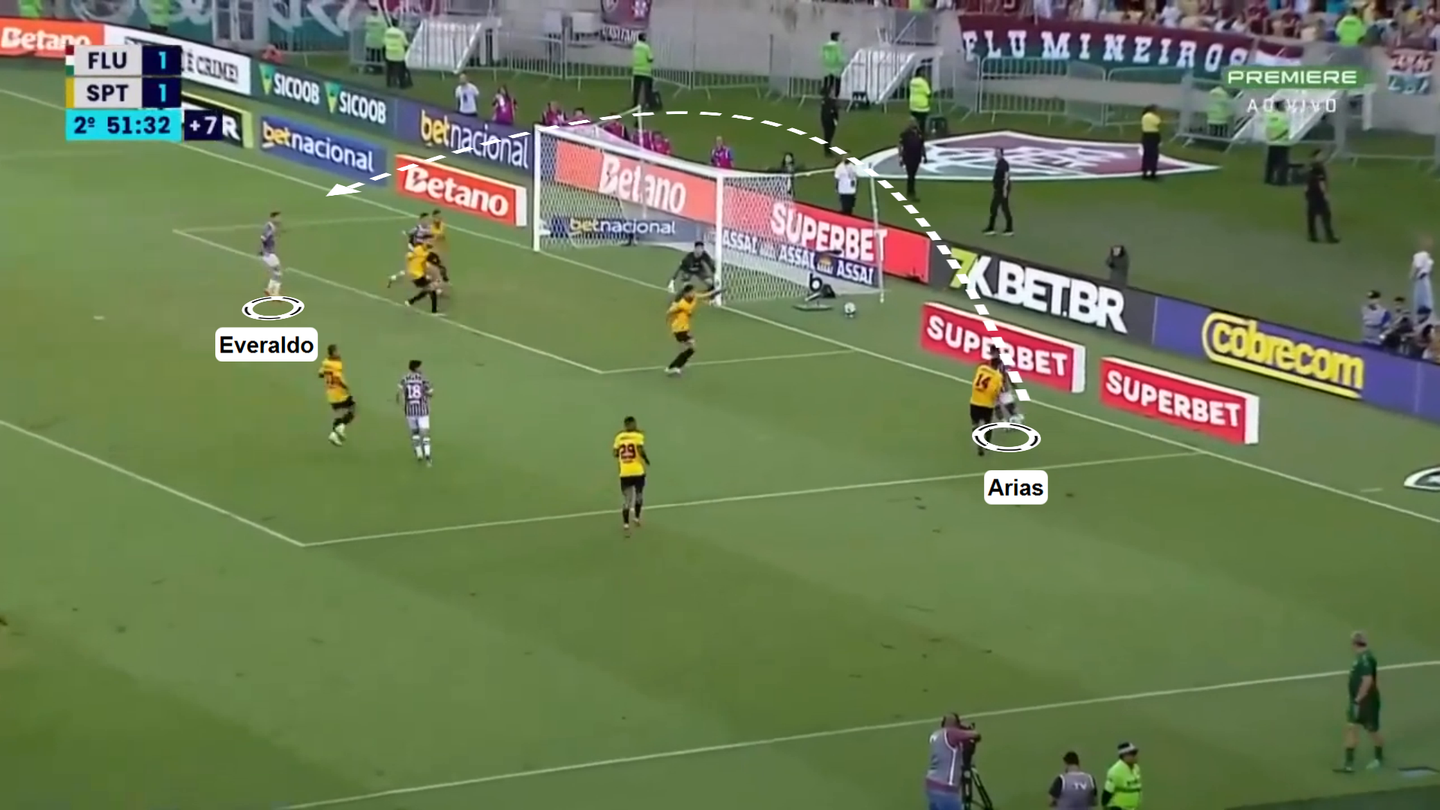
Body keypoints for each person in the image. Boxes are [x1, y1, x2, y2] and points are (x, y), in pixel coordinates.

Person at [1339, 631, 1385, 772]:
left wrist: (1358, 698)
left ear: (1354, 644)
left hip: (1367, 703)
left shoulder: (1365, 659)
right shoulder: (1360, 658)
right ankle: (1348, 764)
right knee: (1351, 727)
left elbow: (1367, 680)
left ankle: (1378, 758)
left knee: (1372, 731)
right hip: (1356, 702)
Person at [925, 714, 980, 810]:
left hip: (932, 785)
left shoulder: (937, 734)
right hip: (945, 788)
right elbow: (976, 735)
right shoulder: (951, 733)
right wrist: (966, 729)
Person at [665, 284, 719, 377]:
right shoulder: (681, 304)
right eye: (691, 292)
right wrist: (669, 320)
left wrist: (716, 292)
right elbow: (669, 311)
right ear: (686, 293)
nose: (693, 294)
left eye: (694, 292)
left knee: (689, 348)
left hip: (685, 328)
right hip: (679, 329)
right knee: (691, 347)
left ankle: (675, 366)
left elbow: (704, 295)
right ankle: (673, 367)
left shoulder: (694, 297)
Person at [613, 416, 650, 536]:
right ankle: (637, 518)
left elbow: (615, 453)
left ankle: (626, 524)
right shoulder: (638, 436)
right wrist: (646, 459)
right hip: (637, 471)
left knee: (627, 499)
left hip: (624, 472)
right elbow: (640, 450)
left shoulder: (619, 437)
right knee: (639, 495)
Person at [397, 359, 434, 465]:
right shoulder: (423, 379)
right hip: (422, 410)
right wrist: (426, 394)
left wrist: (403, 403)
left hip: (410, 411)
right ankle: (427, 455)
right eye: (420, 366)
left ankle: (419, 453)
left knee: (415, 433)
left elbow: (400, 393)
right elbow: (430, 393)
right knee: (425, 433)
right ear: (416, 368)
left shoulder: (405, 378)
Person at [319, 344, 355, 447]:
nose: (339, 352)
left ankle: (334, 434)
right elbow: (338, 378)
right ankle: (339, 428)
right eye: (337, 351)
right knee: (353, 408)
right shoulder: (336, 364)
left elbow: (320, 373)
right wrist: (346, 386)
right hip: (338, 393)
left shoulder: (325, 362)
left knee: (340, 413)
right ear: (334, 352)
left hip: (330, 394)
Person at [970, 355, 1003, 457]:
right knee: (987, 424)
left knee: (975, 424)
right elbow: (996, 392)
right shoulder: (998, 376)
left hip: (975, 402)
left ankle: (978, 442)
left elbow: (980, 365)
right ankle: (986, 442)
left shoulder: (981, 368)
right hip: (987, 404)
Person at [1305, 149, 1338, 243]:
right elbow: (1321, 182)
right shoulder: (1319, 168)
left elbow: (1307, 181)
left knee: (1311, 215)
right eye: (1320, 155)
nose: (1322, 156)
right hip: (1318, 194)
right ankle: (1329, 237)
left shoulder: (1311, 166)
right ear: (1316, 157)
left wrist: (1306, 191)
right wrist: (1325, 194)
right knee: (1326, 215)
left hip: (1310, 193)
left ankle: (1312, 236)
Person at [403, 241, 445, 314]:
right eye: (428, 246)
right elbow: (431, 259)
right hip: (417, 276)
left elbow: (410, 256)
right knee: (430, 289)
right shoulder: (425, 254)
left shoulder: (418, 250)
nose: (429, 248)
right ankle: (433, 310)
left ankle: (411, 301)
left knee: (429, 289)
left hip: (414, 274)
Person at [1101, 743, 1142, 810]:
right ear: (1124, 756)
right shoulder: (1115, 771)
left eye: (1136, 753)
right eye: (1133, 753)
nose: (1136, 756)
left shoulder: (1136, 768)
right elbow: (1107, 793)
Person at [984, 147, 1013, 236]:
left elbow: (1006, 177)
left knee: (1003, 209)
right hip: (998, 189)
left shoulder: (1004, 164)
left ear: (1001, 154)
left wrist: (1004, 190)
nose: (995, 154)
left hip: (1002, 190)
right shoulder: (999, 163)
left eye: (997, 152)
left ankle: (1009, 229)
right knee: (995, 208)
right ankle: (991, 228)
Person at [1264, 101, 1290, 185]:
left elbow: (1267, 128)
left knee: (1271, 161)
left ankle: (1268, 179)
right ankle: (1281, 180)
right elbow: (1286, 129)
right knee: (1282, 162)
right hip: (1282, 142)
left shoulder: (1270, 115)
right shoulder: (1284, 116)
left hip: (1272, 142)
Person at [908, 68, 931, 158]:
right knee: (922, 128)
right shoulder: (923, 82)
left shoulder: (912, 82)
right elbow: (928, 93)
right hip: (922, 107)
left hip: (913, 106)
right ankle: (920, 147)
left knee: (914, 126)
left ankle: (912, 140)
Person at [259, 210, 282, 297]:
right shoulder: (268, 227)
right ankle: (275, 293)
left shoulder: (272, 227)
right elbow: (263, 238)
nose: (279, 219)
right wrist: (263, 250)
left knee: (276, 272)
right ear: (273, 218)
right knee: (278, 272)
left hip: (269, 253)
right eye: (278, 217)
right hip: (269, 254)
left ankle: (269, 289)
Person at [899, 121, 924, 201]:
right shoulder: (905, 134)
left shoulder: (919, 134)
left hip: (916, 157)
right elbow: (900, 146)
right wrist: (900, 157)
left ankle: (910, 192)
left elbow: (922, 146)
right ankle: (911, 192)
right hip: (908, 156)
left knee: (912, 175)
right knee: (911, 175)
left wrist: (924, 156)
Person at [382, 21, 409, 89]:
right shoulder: (400, 33)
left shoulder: (387, 32)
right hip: (398, 54)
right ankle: (402, 84)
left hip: (389, 53)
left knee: (389, 69)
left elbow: (384, 42)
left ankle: (389, 83)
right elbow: (405, 43)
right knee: (400, 70)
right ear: (398, 24)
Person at [631, 33, 655, 109]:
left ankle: (635, 104)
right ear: (644, 38)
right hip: (645, 71)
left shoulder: (635, 46)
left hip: (636, 70)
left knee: (636, 89)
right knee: (647, 89)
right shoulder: (646, 47)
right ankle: (647, 103)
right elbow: (650, 58)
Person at [1411, 235, 1433, 314]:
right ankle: (1425, 311)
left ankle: (1422, 311)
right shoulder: (1427, 257)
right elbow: (1430, 271)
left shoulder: (1420, 255)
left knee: (1420, 297)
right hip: (1425, 279)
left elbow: (1418, 267)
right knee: (1426, 296)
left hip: (1422, 278)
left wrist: (1412, 275)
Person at [1139, 105, 1161, 180]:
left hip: (1146, 135)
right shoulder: (1153, 116)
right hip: (1153, 135)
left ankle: (1144, 171)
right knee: (1154, 154)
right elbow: (1158, 122)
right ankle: (1153, 171)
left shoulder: (1144, 116)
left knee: (1146, 154)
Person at [363, 4, 387, 73]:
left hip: (372, 40)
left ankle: (372, 68)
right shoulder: (381, 19)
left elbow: (366, 28)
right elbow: (384, 29)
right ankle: (377, 69)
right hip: (377, 40)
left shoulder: (368, 19)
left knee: (372, 55)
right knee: (377, 56)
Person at [820, 32, 844, 99]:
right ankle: (836, 95)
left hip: (827, 65)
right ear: (836, 37)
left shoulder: (825, 45)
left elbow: (823, 55)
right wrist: (842, 63)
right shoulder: (837, 46)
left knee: (828, 80)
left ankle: (825, 92)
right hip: (835, 65)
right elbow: (839, 55)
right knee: (837, 81)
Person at [820, 88, 840, 157]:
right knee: (828, 136)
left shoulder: (827, 101)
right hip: (828, 121)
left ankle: (827, 150)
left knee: (828, 136)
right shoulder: (828, 101)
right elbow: (830, 111)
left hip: (828, 121)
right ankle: (827, 151)